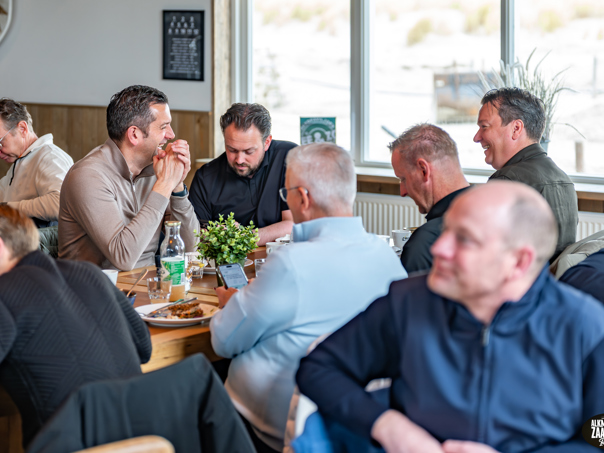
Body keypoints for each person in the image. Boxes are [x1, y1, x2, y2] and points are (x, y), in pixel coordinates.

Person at [296, 181, 604, 453]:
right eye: (446, 232)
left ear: (518, 262)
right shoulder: (409, 302)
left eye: (465, 239)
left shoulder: (584, 326)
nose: (439, 248)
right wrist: (389, 427)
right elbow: (320, 368)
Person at [210, 143, 407, 453]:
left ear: (302, 198)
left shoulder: (291, 263)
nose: (285, 199)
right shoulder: (387, 256)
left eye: (285, 192)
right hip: (359, 418)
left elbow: (224, 341)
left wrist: (231, 303)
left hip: (281, 428)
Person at [0, 205, 152, 447]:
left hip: (73, 445)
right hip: (147, 439)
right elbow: (144, 348)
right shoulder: (90, 272)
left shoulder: (5, 292)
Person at [59, 85, 199, 270]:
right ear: (134, 134)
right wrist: (164, 185)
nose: (171, 135)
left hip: (151, 283)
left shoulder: (156, 169)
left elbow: (192, 249)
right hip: (96, 285)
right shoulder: (87, 176)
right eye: (163, 127)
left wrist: (177, 186)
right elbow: (123, 257)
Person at [474, 87, 578, 260]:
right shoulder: (564, 180)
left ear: (516, 128)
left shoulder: (506, 180)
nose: (476, 137)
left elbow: (487, 257)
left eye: (484, 127)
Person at [189, 103, 297, 245]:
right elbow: (195, 235)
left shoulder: (289, 157)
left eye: (249, 151)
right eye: (232, 150)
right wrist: (213, 234)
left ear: (267, 142)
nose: (239, 160)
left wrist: (242, 237)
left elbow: (293, 224)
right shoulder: (205, 178)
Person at [389, 123, 469, 274]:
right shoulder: (497, 215)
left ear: (423, 170)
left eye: (403, 179)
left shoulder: (425, 245)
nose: (402, 192)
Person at [0, 98, 73, 227]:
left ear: (22, 128)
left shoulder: (50, 156)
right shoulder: (21, 161)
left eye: (0, 143)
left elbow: (61, 204)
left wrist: (8, 208)